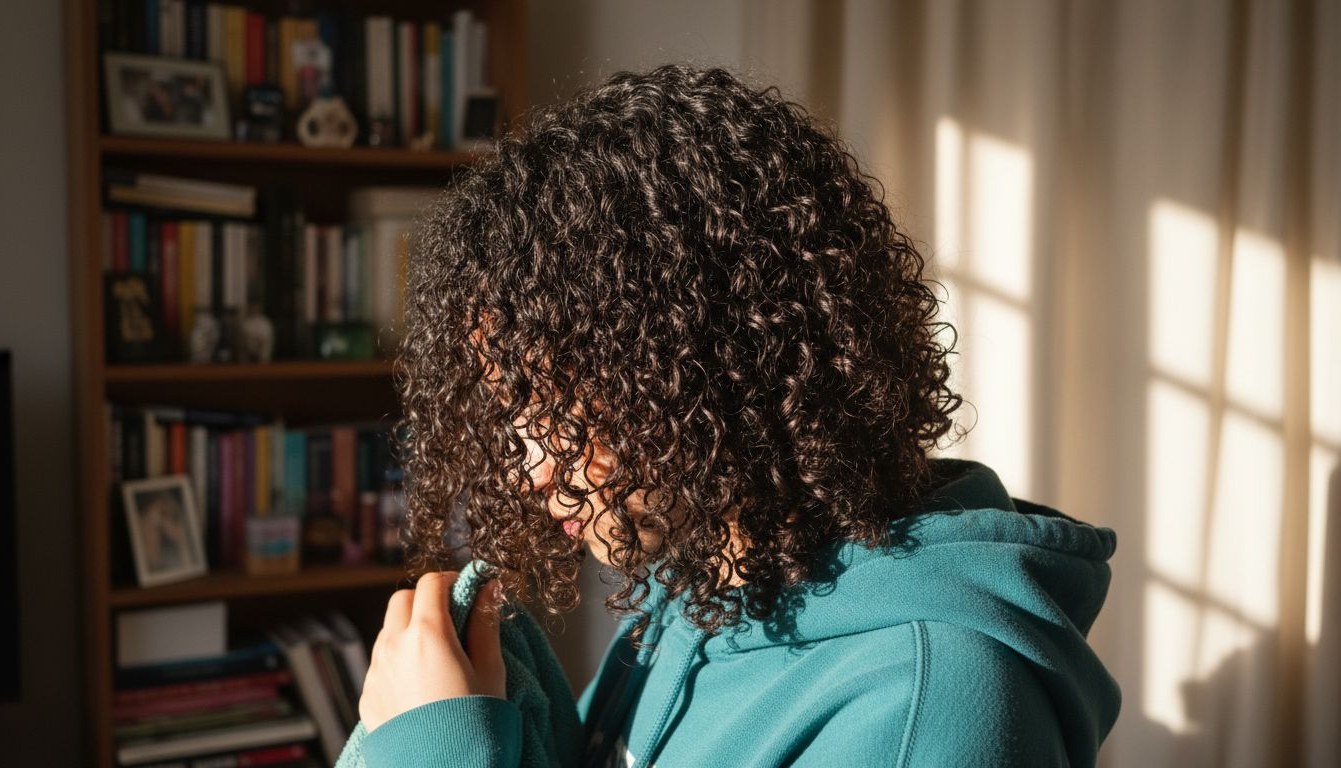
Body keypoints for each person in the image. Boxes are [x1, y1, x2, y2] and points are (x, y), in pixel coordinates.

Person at [357, 65, 1121, 767]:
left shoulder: (933, 709)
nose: (532, 467)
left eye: (561, 412)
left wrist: (434, 749)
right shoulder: (699, 587)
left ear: (711, 366)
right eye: (509, 416)